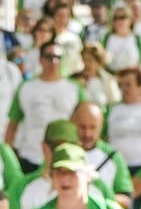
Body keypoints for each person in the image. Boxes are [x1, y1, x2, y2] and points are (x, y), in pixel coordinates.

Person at [6, 41, 84, 172]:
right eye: (49, 57)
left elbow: (84, 121)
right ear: (41, 59)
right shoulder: (26, 87)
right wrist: (8, 156)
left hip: (66, 159)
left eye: (57, 58)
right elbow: (12, 125)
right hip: (30, 156)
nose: (53, 62)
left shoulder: (75, 88)